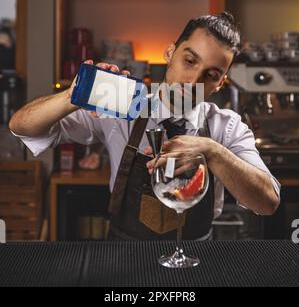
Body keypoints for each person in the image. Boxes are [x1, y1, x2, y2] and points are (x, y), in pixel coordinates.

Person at [9, 12, 280, 241]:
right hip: (122, 256)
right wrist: (75, 94)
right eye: (189, 60)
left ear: (220, 83)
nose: (193, 80)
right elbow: (22, 126)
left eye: (210, 75)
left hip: (196, 260)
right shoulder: (122, 107)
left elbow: (268, 202)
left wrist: (212, 152)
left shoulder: (226, 127)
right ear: (170, 52)